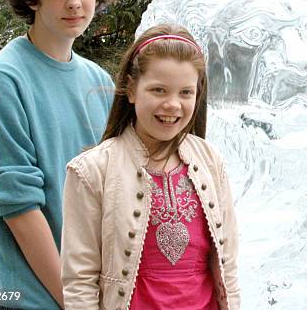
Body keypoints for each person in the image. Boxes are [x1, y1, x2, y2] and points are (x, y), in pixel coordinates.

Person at [0, 0, 114, 309]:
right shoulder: (2, 81)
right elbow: (21, 210)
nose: (75, 2)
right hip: (31, 301)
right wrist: (74, 301)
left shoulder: (99, 82)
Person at [61, 24, 240, 310]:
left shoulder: (210, 161)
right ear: (131, 89)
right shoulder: (92, 171)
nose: (172, 104)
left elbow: (227, 266)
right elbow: (79, 282)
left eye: (185, 92)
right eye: (158, 90)